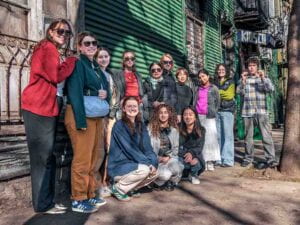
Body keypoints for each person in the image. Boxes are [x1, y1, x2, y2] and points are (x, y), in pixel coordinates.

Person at [21, 18, 76, 214]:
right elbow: (56, 76)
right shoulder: (47, 47)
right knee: (42, 158)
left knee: (47, 157)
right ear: (50, 32)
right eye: (60, 31)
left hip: (46, 108)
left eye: (67, 33)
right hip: (38, 108)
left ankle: (47, 201)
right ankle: (43, 205)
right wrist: (71, 61)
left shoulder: (51, 50)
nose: (64, 35)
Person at [65, 31, 110, 213]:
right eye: (87, 43)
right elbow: (74, 91)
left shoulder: (95, 67)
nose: (91, 46)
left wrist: (103, 93)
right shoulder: (78, 64)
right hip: (80, 114)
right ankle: (78, 198)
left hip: (96, 116)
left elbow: (105, 88)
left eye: (94, 43)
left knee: (94, 157)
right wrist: (80, 120)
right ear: (80, 47)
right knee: (82, 158)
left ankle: (90, 194)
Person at [108, 96, 158, 201]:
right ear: (124, 109)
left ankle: (130, 189)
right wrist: (147, 163)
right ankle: (118, 188)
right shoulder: (119, 125)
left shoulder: (141, 125)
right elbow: (129, 149)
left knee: (155, 172)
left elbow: (148, 148)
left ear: (138, 108)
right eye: (129, 106)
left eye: (134, 106)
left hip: (134, 164)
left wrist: (153, 162)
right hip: (119, 165)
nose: (132, 108)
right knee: (145, 170)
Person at [236, 57, 277, 169]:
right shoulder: (243, 79)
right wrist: (243, 82)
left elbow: (271, 89)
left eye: (254, 65)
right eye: (249, 66)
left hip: (261, 111)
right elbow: (239, 92)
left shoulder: (264, 78)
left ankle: (271, 159)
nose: (251, 67)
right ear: (247, 67)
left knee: (266, 136)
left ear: (257, 67)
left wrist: (263, 78)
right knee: (248, 138)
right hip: (247, 112)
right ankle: (248, 158)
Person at [94, 47, 118, 198]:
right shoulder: (94, 74)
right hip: (97, 117)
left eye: (106, 56)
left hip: (110, 117)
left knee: (109, 150)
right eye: (100, 57)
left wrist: (113, 114)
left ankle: (104, 182)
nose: (103, 59)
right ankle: (96, 184)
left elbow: (114, 97)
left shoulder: (109, 76)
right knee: (98, 150)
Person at [148, 104, 184, 191]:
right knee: (165, 175)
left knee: (178, 167)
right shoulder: (150, 128)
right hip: (155, 159)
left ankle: (171, 181)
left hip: (169, 158)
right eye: (161, 113)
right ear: (157, 114)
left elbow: (176, 148)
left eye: (165, 112)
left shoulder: (174, 130)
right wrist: (157, 158)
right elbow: (147, 148)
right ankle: (158, 182)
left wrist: (169, 157)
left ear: (169, 114)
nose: (163, 115)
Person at [194, 69, 220, 171]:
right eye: (200, 77)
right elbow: (195, 101)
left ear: (208, 76)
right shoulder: (197, 88)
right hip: (198, 116)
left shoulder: (214, 88)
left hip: (209, 116)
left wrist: (213, 111)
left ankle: (210, 161)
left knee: (211, 138)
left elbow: (217, 102)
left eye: (204, 76)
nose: (202, 79)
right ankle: (203, 160)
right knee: (201, 138)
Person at [112, 50, 145, 119]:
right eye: (127, 59)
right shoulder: (118, 74)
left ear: (134, 61)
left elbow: (141, 90)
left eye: (132, 58)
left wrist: (141, 101)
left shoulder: (138, 75)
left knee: (138, 127)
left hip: (137, 105)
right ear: (123, 61)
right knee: (123, 128)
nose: (129, 60)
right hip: (124, 105)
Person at [214, 64, 235, 167]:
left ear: (226, 70)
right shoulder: (214, 81)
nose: (221, 71)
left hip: (227, 111)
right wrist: (221, 92)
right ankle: (218, 159)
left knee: (228, 136)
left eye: (222, 69)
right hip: (217, 111)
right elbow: (212, 94)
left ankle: (228, 160)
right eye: (219, 69)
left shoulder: (230, 81)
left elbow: (229, 95)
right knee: (218, 136)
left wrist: (217, 91)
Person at [179, 107, 206, 184]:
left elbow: (200, 147)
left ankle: (193, 175)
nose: (188, 117)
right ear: (182, 117)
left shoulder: (201, 130)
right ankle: (180, 175)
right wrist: (185, 154)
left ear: (195, 117)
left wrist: (191, 154)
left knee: (197, 163)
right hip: (180, 155)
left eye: (190, 114)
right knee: (178, 163)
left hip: (195, 155)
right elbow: (175, 146)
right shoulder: (178, 128)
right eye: (185, 115)